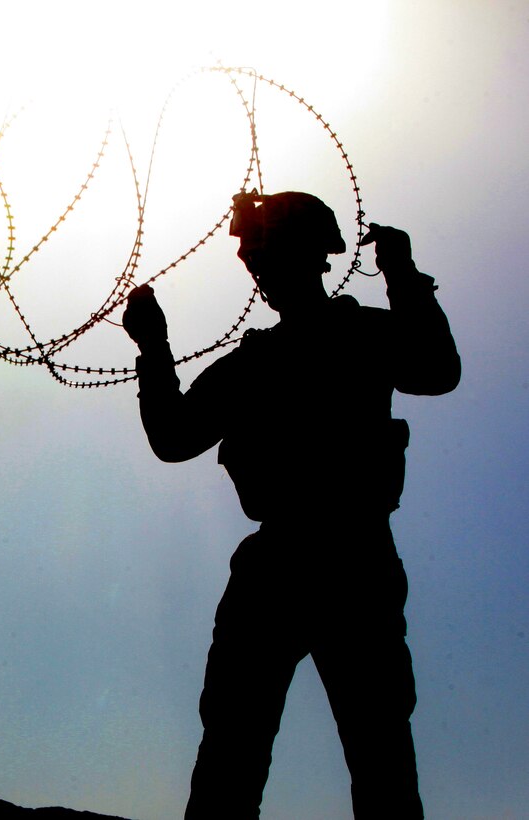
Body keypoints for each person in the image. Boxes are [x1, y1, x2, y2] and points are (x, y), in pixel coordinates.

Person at [122, 191, 460, 819]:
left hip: (344, 559)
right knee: (238, 745)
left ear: (308, 258)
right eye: (254, 262)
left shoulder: (351, 338)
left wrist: (404, 277)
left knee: (373, 746)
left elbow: (437, 368)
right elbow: (174, 438)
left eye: (264, 257)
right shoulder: (267, 361)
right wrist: (154, 347)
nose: (257, 272)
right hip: (302, 563)